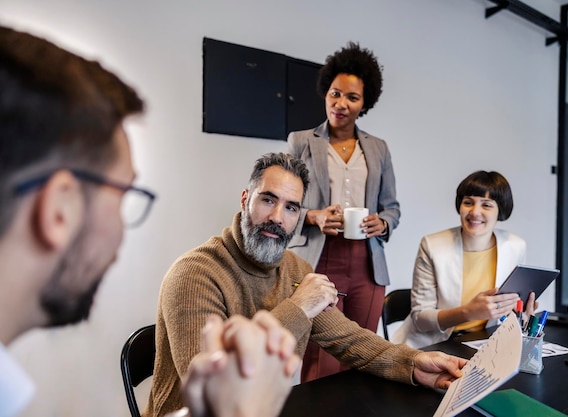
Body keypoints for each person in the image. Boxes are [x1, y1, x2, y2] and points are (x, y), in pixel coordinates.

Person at [0, 25, 297, 417]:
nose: (122, 233)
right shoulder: (196, 271)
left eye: (292, 207)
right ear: (59, 210)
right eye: (123, 195)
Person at [145, 152, 467, 417]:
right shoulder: (194, 274)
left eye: (291, 207)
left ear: (299, 217)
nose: (277, 217)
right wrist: (299, 306)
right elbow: (214, 391)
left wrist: (413, 363)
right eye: (267, 200)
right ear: (245, 200)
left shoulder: (296, 268)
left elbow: (351, 340)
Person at [285, 41, 400, 382]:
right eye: (335, 94)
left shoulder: (378, 149)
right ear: (325, 93)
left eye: (352, 97)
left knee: (364, 356)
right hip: (319, 261)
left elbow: (392, 207)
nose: (341, 104)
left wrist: (383, 222)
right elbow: (285, 203)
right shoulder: (301, 142)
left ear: (365, 103)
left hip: (367, 264)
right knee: (319, 362)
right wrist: (314, 216)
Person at [392, 171, 536, 349]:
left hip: (485, 343)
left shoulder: (516, 246)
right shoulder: (432, 245)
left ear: (500, 210)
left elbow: (508, 311)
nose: (475, 212)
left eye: (486, 205)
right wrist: (469, 312)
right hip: (432, 345)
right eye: (468, 202)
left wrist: (521, 314)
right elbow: (420, 319)